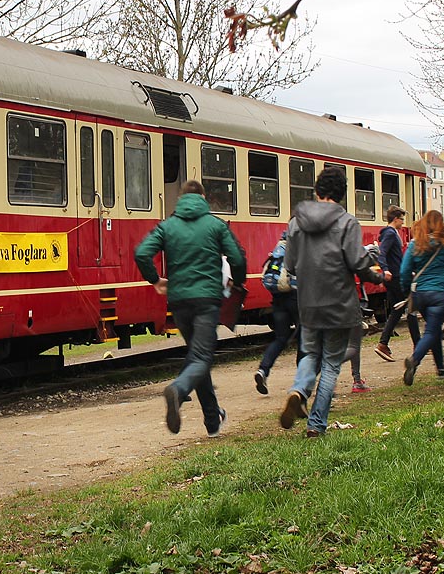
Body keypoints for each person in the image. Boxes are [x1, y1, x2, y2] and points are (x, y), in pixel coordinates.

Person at [278, 167, 388, 436]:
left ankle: (299, 390)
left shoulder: (296, 223)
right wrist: (379, 276)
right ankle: (316, 424)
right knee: (330, 364)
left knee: (310, 353)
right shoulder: (347, 222)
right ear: (342, 193)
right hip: (339, 303)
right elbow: (358, 263)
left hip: (308, 302)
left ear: (317, 191)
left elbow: (290, 265)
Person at [135, 180, 246, 436]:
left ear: (181, 199)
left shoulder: (168, 226)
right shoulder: (216, 225)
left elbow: (142, 253)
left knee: (198, 357)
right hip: (206, 301)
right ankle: (178, 389)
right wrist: (238, 282)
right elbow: (237, 258)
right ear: (203, 198)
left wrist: (155, 280)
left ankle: (213, 421)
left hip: (179, 302)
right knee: (202, 357)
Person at [399, 210, 444, 384]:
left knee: (434, 330)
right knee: (432, 331)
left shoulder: (415, 244)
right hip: (439, 294)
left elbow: (404, 271)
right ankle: (414, 359)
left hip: (420, 295)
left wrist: (406, 289)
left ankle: (440, 368)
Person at [254, 232, 300, 395]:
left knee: (280, 337)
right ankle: (301, 381)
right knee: (304, 337)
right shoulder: (301, 245)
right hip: (295, 298)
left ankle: (263, 370)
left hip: (278, 298)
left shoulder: (279, 247)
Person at [374, 206, 420, 362]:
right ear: (395, 219)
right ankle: (418, 345)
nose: (403, 222)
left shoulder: (391, 233)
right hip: (395, 278)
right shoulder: (390, 233)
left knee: (397, 310)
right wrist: (386, 270)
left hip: (396, 275)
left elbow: (394, 257)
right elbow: (382, 253)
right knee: (410, 307)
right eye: (401, 219)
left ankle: (383, 343)